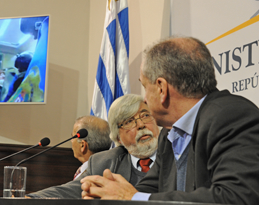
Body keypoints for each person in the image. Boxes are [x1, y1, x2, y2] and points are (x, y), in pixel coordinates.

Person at [80, 37, 259, 205]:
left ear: (161, 88)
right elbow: (150, 188)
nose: (144, 100)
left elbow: (236, 197)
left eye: (144, 87)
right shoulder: (170, 132)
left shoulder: (231, 116)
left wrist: (131, 197)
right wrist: (109, 194)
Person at [27, 94, 160, 198]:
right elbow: (72, 190)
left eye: (145, 115)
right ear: (118, 136)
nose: (141, 125)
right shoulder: (105, 162)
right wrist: (31, 199)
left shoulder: (174, 154)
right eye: (129, 121)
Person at [71, 116, 112, 180]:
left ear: (82, 145)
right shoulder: (109, 169)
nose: (71, 141)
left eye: (73, 137)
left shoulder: (90, 178)